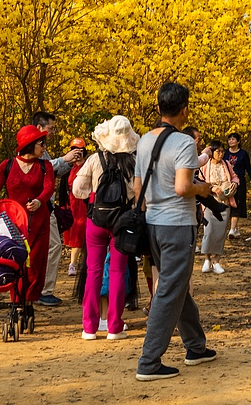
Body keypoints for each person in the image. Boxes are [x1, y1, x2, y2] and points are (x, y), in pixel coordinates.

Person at [133, 82, 216, 381]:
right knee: (168, 290)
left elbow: (137, 189)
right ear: (185, 110)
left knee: (174, 284)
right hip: (177, 225)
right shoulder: (183, 143)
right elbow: (183, 187)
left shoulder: (144, 141)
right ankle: (149, 361)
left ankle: (196, 346)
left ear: (158, 108)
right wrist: (202, 188)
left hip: (153, 223)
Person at [71, 116, 139, 340]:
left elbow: (78, 190)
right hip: (122, 221)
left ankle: (89, 327)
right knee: (119, 272)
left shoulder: (95, 159)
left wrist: (94, 193)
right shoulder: (133, 161)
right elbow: (139, 196)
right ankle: (114, 326)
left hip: (96, 220)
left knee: (93, 271)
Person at [0, 124, 56, 308]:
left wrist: (39, 201)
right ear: (31, 144)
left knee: (36, 262)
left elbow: (49, 188)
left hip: (39, 221)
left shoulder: (45, 165)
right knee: (15, 260)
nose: (44, 147)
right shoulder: (7, 165)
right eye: (42, 143)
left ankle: (29, 300)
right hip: (14, 222)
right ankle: (16, 300)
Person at [32, 111, 85, 307]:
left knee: (48, 247)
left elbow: (51, 171)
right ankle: (43, 290)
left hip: (46, 206)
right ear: (39, 127)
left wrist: (69, 162)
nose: (53, 132)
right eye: (51, 128)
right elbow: (41, 168)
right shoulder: (32, 147)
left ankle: (40, 289)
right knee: (53, 246)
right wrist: (64, 158)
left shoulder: (42, 148)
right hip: (40, 206)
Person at [199, 141, 239, 273]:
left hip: (224, 201)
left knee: (221, 232)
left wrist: (234, 184)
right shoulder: (205, 165)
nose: (221, 154)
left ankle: (217, 261)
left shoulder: (226, 165)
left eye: (222, 151)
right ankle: (207, 258)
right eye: (218, 151)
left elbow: (235, 177)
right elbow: (200, 180)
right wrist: (211, 188)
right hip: (209, 202)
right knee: (209, 231)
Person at [63, 137, 89, 277]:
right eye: (74, 150)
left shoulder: (88, 165)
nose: (77, 153)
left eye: (80, 150)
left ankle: (80, 264)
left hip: (85, 204)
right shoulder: (67, 168)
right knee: (76, 233)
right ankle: (74, 263)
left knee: (84, 233)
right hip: (72, 204)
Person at [223, 132, 251, 238]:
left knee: (237, 203)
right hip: (227, 182)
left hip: (239, 182)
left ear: (238, 141)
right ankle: (234, 228)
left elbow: (248, 167)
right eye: (229, 139)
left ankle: (232, 229)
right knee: (228, 203)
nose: (231, 141)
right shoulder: (225, 153)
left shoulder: (243, 154)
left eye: (233, 139)